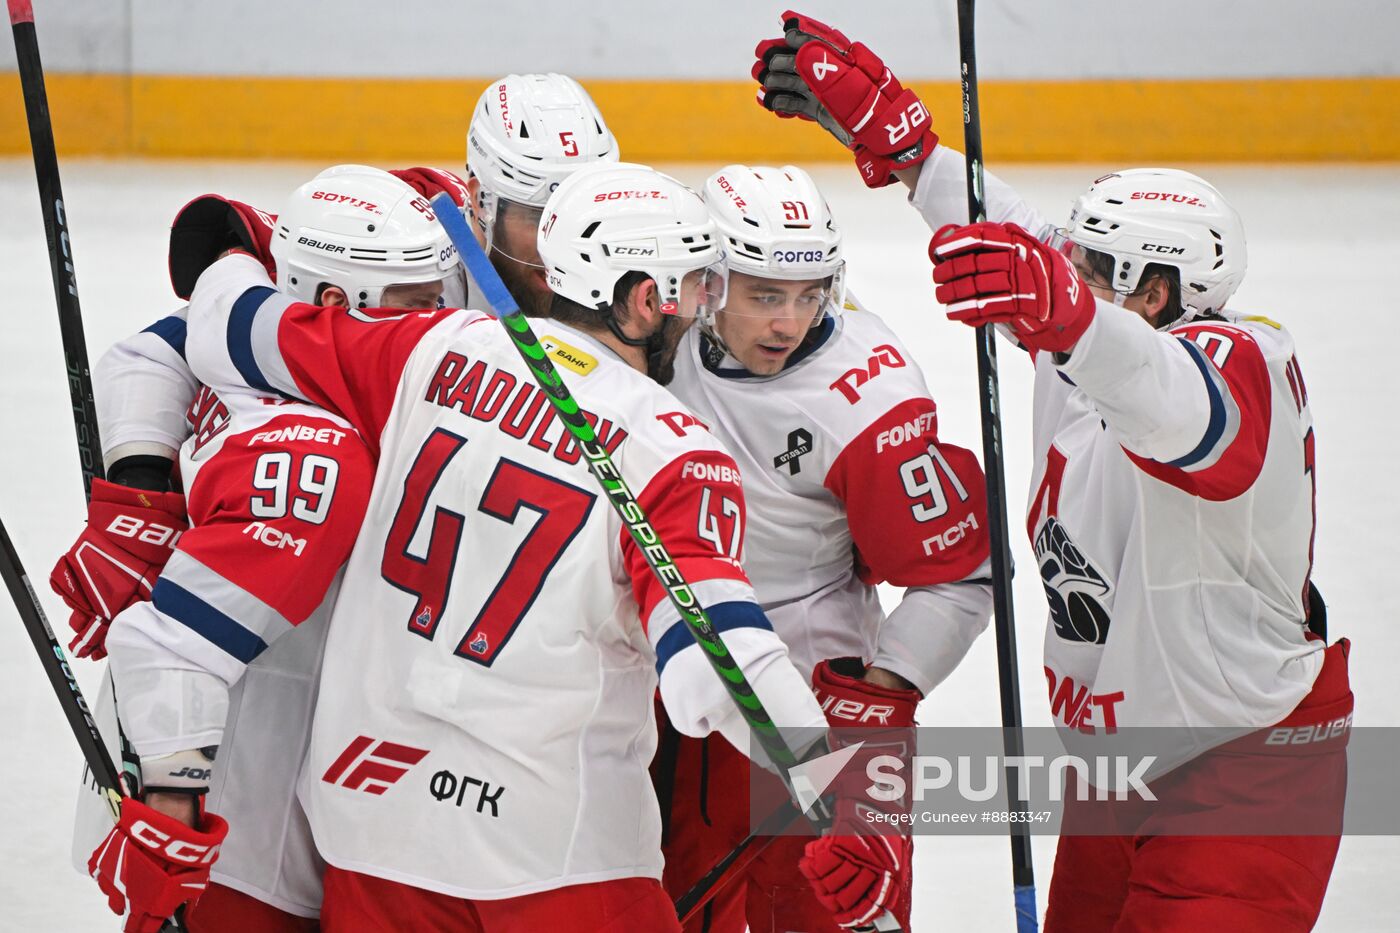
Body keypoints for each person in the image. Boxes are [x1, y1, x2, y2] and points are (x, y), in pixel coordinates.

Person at [752, 11, 1353, 931]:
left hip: (1245, 774)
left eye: (1091, 268)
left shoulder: (1242, 364)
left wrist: (1064, 315)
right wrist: (909, 149)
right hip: (1119, 765)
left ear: (1158, 294)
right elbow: (1025, 245)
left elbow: (1174, 400)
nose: (1063, 272)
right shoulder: (1084, 343)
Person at [177, 161, 833, 932]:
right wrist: (838, 794)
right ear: (645, 300)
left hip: (371, 829)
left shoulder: (427, 348)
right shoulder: (677, 453)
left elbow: (230, 330)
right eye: (695, 288)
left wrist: (234, 250)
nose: (701, 309)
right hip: (556, 853)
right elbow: (719, 670)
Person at [54, 166, 458, 933]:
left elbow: (154, 348)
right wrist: (174, 810)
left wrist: (138, 498)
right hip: (248, 833)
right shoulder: (314, 454)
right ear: (340, 305)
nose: (439, 320)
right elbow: (174, 649)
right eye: (421, 305)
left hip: (297, 787)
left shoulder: (265, 343)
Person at [656, 163, 992, 933]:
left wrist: (880, 691)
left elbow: (959, 577)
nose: (790, 323)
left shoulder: (869, 399)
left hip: (815, 697)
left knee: (824, 911)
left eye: (810, 295)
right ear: (705, 282)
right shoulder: (659, 330)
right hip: (682, 680)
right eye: (766, 295)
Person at [462, 72, 619, 314]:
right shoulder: (428, 288)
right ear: (480, 202)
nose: (564, 245)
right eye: (538, 217)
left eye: (585, 217)